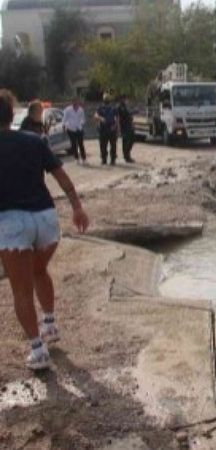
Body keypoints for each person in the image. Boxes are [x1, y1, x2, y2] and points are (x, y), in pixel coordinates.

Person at [0, 89, 90, 370]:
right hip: (46, 219)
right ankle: (49, 324)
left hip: (12, 223)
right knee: (40, 271)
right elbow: (60, 175)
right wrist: (77, 206)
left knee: (21, 290)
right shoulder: (33, 140)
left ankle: (38, 351)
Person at [94, 93, 119, 165]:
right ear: (103, 100)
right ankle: (104, 159)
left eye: (107, 99)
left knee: (113, 145)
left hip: (111, 129)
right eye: (105, 99)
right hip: (103, 129)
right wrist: (100, 118)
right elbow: (95, 115)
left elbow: (117, 118)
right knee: (103, 145)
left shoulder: (113, 108)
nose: (106, 101)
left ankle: (113, 160)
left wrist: (115, 126)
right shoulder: (100, 108)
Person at [63, 98, 87, 164]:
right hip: (71, 129)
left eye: (77, 104)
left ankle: (84, 158)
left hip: (79, 128)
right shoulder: (67, 110)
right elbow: (64, 119)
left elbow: (83, 118)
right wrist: (64, 126)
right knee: (74, 144)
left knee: (81, 144)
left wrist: (81, 123)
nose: (76, 105)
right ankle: (76, 158)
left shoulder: (81, 109)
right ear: (72, 103)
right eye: (74, 104)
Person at [117, 95, 135, 163]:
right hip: (124, 126)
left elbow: (128, 114)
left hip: (129, 126)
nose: (126, 100)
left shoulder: (125, 106)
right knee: (126, 142)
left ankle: (127, 155)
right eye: (125, 99)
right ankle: (126, 157)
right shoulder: (120, 107)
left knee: (132, 139)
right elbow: (119, 116)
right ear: (122, 99)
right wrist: (118, 127)